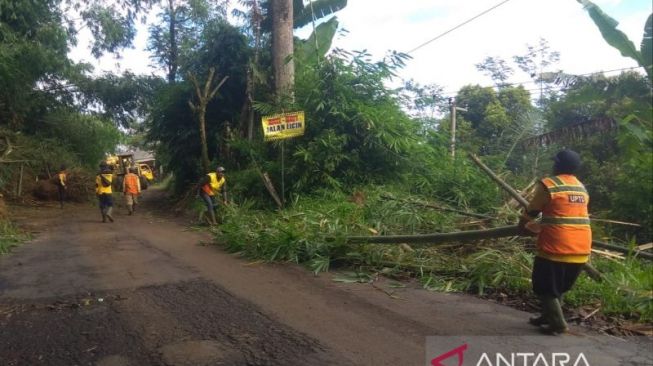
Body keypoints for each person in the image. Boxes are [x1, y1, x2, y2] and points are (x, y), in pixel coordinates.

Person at [519, 149, 592, 335]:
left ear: (557, 165)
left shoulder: (549, 185)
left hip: (556, 246)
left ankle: (558, 324)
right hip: (581, 248)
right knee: (558, 286)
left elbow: (532, 212)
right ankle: (547, 316)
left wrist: (522, 226)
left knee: (545, 287)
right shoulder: (581, 187)